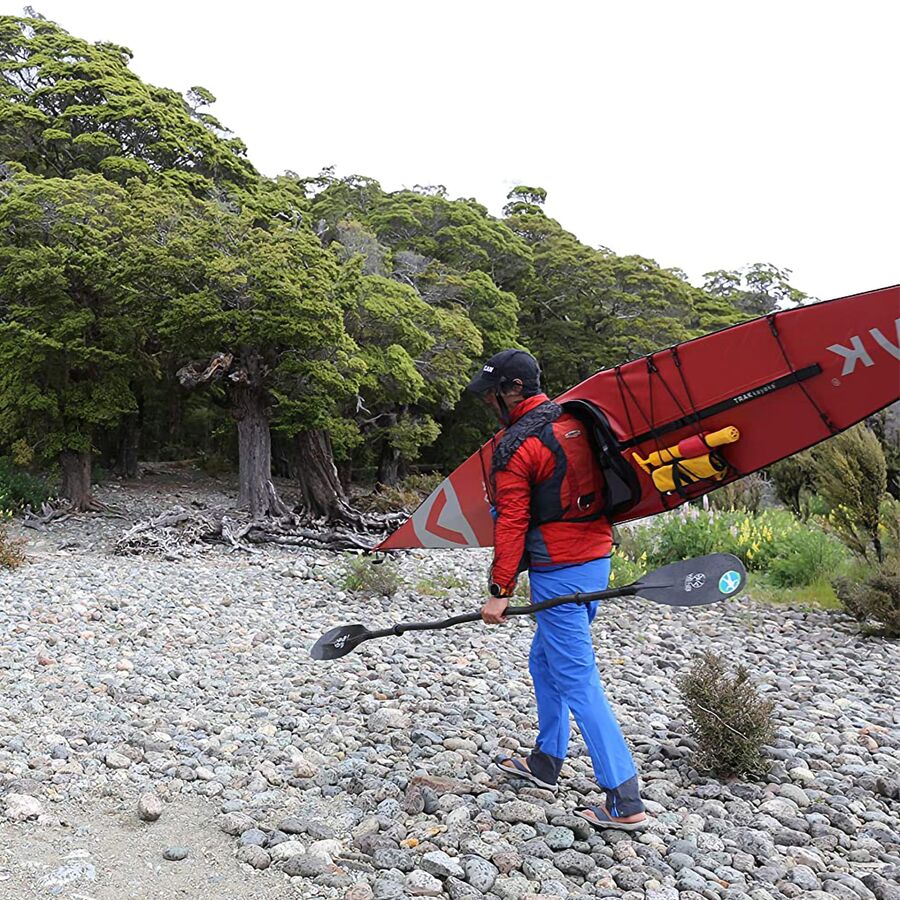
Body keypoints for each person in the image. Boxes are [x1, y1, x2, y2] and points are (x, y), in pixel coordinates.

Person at [467, 348, 648, 832]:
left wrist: (500, 590)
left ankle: (624, 797)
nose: (487, 402)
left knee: (576, 677)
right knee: (544, 661)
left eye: (491, 394)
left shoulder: (517, 447)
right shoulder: (575, 420)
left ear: (513, 390)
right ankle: (546, 760)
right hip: (596, 561)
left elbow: (511, 523)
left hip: (559, 572)